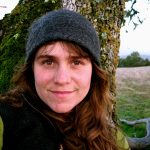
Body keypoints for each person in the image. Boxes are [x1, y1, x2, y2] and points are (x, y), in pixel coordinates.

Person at [0, 9, 130, 150]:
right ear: (32, 69)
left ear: (93, 71)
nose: (62, 79)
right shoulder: (5, 120)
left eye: (76, 62)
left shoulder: (111, 138)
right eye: (48, 62)